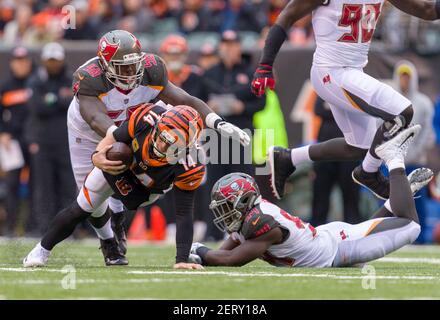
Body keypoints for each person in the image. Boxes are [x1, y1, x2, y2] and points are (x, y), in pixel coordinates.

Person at [66, 29, 250, 264]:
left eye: (134, 64)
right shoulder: (89, 77)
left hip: (129, 125)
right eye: (123, 66)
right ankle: (107, 239)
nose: (131, 72)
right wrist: (111, 142)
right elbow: (94, 118)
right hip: (89, 130)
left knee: (124, 167)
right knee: (89, 196)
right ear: (105, 65)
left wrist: (217, 122)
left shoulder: (152, 69)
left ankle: (119, 219)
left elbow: (185, 100)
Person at [251, 0, 440, 201]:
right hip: (331, 72)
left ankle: (288, 158)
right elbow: (287, 15)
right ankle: (368, 173)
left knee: (360, 147)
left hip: (350, 73)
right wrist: (265, 65)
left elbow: (427, 9)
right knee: (402, 111)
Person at [189, 125, 433, 267]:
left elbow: (232, 259)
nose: (224, 212)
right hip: (332, 239)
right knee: (373, 227)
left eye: (227, 205)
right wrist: (200, 255)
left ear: (243, 202)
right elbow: (223, 252)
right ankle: (401, 195)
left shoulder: (260, 223)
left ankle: (394, 158)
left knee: (410, 226)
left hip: (340, 248)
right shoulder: (250, 216)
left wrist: (198, 250)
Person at [23, 103, 205, 270]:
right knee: (81, 208)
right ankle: (41, 250)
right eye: (163, 137)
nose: (163, 145)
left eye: (173, 144)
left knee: (124, 200)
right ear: (157, 126)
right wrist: (97, 157)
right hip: (120, 166)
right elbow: (113, 138)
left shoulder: (191, 164)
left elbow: (183, 213)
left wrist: (181, 259)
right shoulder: (146, 117)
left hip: (147, 190)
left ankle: (117, 211)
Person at [202, 30, 265, 240]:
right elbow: (196, 100)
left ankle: (248, 228)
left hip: (241, 134)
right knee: (214, 182)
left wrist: (242, 107)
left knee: (243, 182)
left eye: (233, 44)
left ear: (239, 46)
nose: (229, 48)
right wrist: (208, 108)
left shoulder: (249, 72)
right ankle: (213, 231)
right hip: (216, 136)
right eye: (225, 44)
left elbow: (261, 102)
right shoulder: (210, 73)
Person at [26, 42, 76, 235]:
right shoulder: (35, 80)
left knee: (67, 186)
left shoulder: (71, 79)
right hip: (43, 142)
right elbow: (37, 107)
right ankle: (44, 228)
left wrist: (52, 99)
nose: (53, 64)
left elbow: (73, 101)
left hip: (66, 142)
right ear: (44, 61)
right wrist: (59, 99)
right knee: (43, 187)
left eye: (56, 60)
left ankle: (68, 228)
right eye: (50, 60)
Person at [392, 60, 435, 242]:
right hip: (394, 162)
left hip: (416, 161)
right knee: (392, 201)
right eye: (401, 76)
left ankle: (421, 237)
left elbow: (429, 133)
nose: (404, 80)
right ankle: (392, 237)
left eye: (407, 77)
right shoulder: (390, 101)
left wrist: (415, 153)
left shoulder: (423, 103)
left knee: (418, 201)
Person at [311, 97, 361, 226]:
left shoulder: (350, 91)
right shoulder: (325, 89)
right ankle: (316, 231)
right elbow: (318, 110)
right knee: (320, 196)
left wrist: (334, 106)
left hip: (349, 152)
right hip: (325, 153)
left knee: (351, 197)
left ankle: (353, 232)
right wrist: (342, 109)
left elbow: (356, 112)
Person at [0, 47, 33, 235]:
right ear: (12, 63)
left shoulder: (36, 82)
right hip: (12, 141)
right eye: (17, 60)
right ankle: (11, 227)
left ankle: (32, 227)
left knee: (37, 184)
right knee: (12, 184)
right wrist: (2, 133)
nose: (21, 64)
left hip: (33, 140)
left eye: (24, 60)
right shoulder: (6, 86)